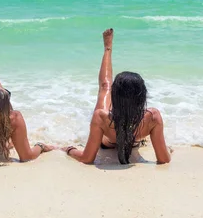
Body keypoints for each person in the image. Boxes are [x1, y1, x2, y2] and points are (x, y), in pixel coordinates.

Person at [63, 28, 171, 165]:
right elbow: (164, 160)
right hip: (134, 142)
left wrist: (68, 149)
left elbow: (86, 158)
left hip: (108, 141)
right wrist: (169, 151)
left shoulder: (102, 116)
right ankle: (108, 49)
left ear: (114, 97)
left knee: (104, 87)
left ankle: (108, 48)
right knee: (108, 89)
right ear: (143, 96)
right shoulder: (153, 117)